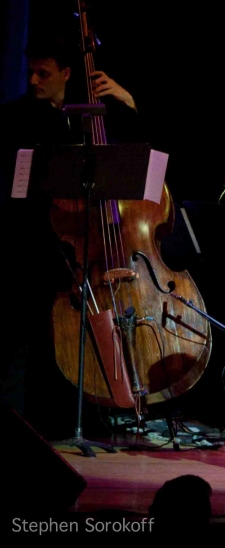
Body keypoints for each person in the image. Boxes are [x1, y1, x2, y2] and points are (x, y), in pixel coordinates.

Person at [0, 32, 144, 438]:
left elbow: (137, 161)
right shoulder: (19, 117)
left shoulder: (91, 117)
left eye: (42, 73)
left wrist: (129, 104)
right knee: (27, 342)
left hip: (83, 248)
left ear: (66, 73)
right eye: (30, 73)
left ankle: (83, 419)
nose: (32, 81)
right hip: (33, 244)